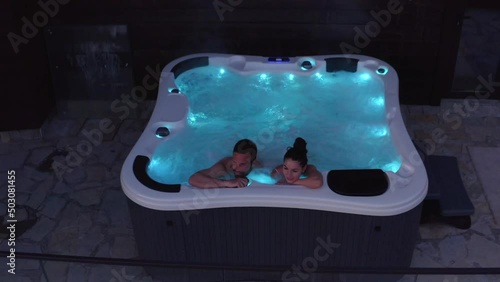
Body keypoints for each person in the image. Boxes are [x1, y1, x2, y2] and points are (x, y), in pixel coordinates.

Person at [188, 139, 260, 188]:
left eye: (242, 164)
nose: (236, 168)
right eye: (234, 162)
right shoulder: (223, 168)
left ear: (252, 162)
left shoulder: (257, 166)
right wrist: (227, 183)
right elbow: (193, 179)